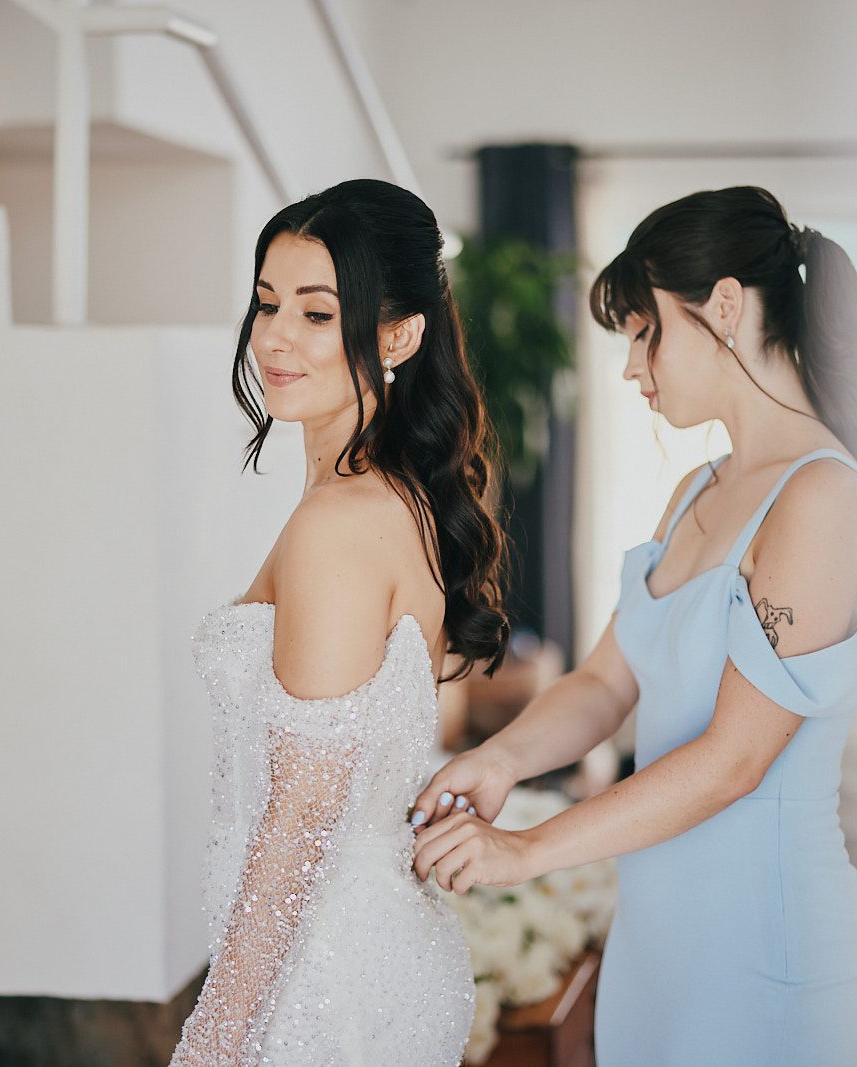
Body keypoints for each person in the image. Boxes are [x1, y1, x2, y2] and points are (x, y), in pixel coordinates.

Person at [410, 186, 857, 1065]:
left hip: (769, 961)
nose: (633, 367)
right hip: (657, 957)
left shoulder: (823, 498)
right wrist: (500, 759)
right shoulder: (696, 491)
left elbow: (734, 760)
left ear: (725, 306)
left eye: (646, 332)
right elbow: (605, 682)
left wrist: (526, 850)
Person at [171, 178, 510, 1066]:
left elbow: (300, 815)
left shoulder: (339, 524)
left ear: (398, 335)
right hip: (358, 949)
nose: (275, 337)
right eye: (267, 303)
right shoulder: (395, 494)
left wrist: (213, 1044)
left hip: (323, 981)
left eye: (317, 313)